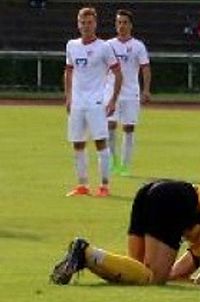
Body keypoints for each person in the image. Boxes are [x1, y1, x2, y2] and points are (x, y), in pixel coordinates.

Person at [50, 179, 200, 286]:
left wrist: (183, 278)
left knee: (138, 274)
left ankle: (87, 255)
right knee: (153, 278)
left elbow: (177, 274)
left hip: (155, 191)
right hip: (176, 200)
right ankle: (86, 253)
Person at [65, 6, 122, 197]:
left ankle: (104, 185)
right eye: (82, 22)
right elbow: (69, 70)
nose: (86, 26)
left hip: (97, 102)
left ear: (95, 24)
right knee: (78, 143)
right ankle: (82, 185)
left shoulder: (104, 47)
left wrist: (112, 99)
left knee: (100, 142)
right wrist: (68, 97)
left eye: (89, 22)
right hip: (78, 102)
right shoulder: (72, 45)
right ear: (78, 24)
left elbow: (117, 73)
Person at [104, 9, 151, 178]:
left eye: (125, 22)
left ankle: (125, 164)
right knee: (110, 125)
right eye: (119, 22)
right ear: (116, 25)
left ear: (130, 25)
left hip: (131, 92)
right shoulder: (108, 45)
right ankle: (112, 160)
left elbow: (145, 68)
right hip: (111, 92)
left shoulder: (138, 46)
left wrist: (146, 89)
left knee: (129, 128)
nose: (122, 25)